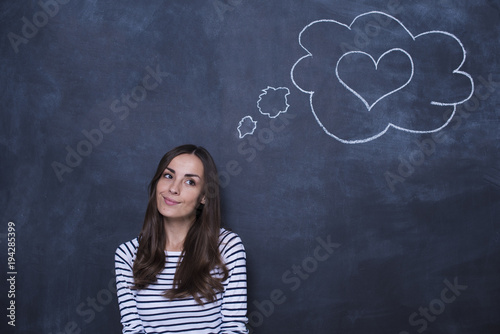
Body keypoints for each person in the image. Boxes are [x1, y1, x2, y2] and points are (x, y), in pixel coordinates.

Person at [115, 144, 248, 333]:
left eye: (190, 182)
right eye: (168, 176)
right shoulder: (128, 255)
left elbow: (234, 328)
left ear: (203, 196)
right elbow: (133, 330)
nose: (173, 189)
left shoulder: (227, 246)